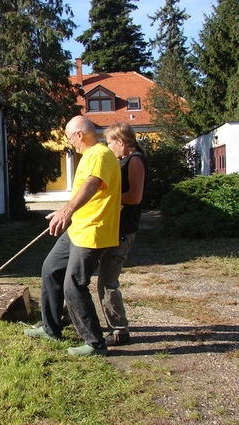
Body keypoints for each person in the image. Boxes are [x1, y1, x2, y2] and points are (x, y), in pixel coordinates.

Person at [24, 115, 121, 357]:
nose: (70, 143)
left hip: (93, 230)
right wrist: (68, 214)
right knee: (51, 268)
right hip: (78, 227)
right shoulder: (89, 155)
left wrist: (66, 210)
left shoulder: (100, 154)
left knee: (74, 285)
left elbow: (92, 183)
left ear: (80, 134)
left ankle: (95, 343)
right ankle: (51, 328)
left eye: (69, 138)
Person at [97, 122, 148, 346]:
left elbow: (135, 197)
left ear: (121, 142)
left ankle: (120, 331)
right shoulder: (124, 159)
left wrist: (108, 198)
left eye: (110, 142)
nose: (109, 147)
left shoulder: (135, 160)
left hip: (123, 231)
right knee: (82, 272)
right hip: (113, 228)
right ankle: (70, 316)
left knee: (107, 282)